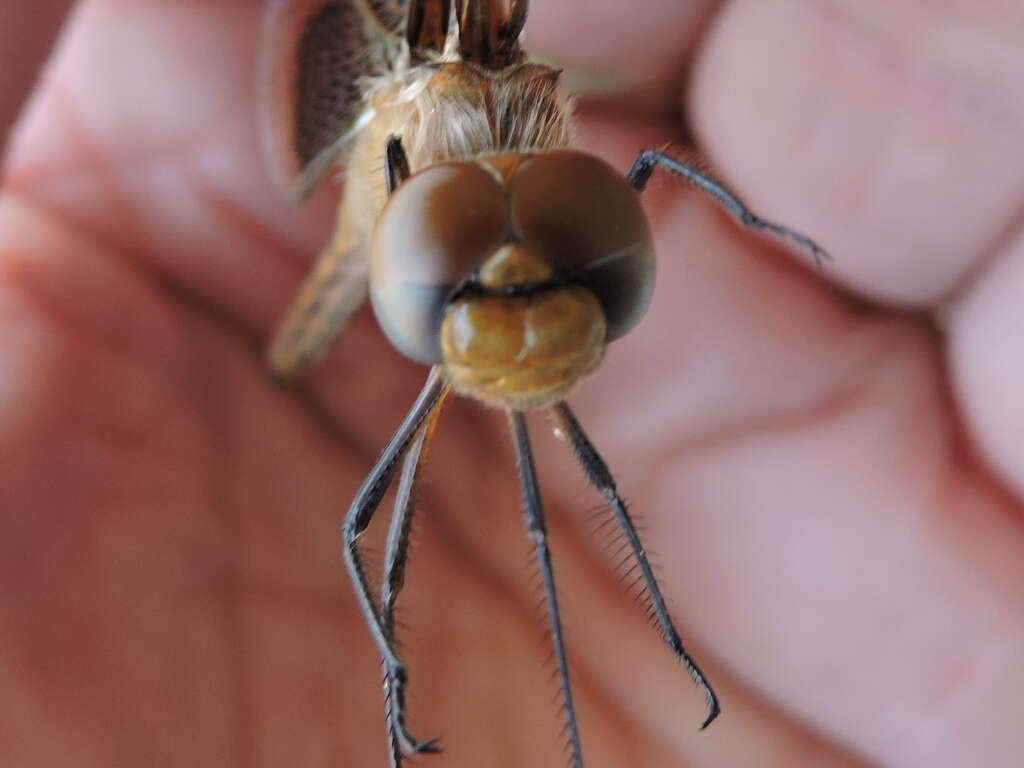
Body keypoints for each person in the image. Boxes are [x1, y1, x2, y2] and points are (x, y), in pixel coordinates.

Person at [1, 2, 1021, 766]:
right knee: (379, 528)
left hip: (447, 242)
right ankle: (398, 684)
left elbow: (648, 168)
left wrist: (755, 221)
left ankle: (650, 647)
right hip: (403, 249)